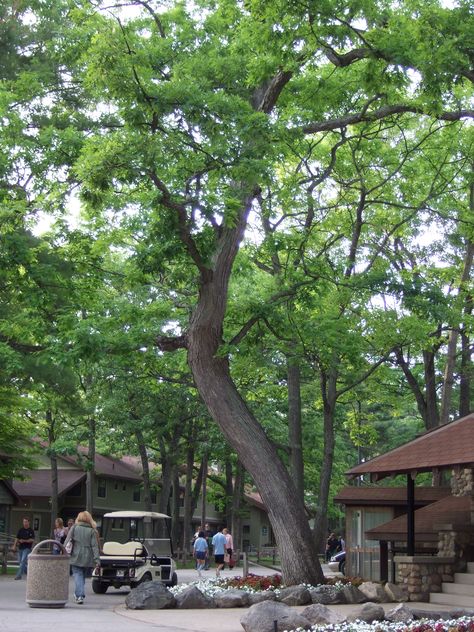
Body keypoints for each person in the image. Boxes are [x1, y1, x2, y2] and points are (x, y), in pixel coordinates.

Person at [64, 510, 100, 604]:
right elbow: (95, 546)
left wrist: (63, 551)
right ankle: (79, 594)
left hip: (76, 555)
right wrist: (97, 560)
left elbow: (67, 541)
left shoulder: (74, 528)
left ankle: (79, 595)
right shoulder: (92, 530)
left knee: (78, 575)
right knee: (82, 576)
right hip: (88, 557)